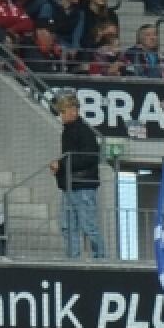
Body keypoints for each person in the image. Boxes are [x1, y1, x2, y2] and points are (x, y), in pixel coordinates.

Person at [50, 92, 103, 262]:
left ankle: (101, 259)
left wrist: (62, 165)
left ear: (73, 111)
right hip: (71, 186)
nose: (60, 116)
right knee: (68, 226)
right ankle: (74, 259)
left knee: (88, 226)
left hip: (83, 186)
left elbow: (89, 157)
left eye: (62, 112)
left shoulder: (84, 132)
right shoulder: (69, 131)